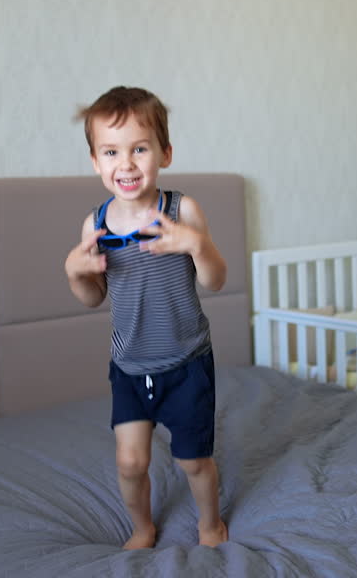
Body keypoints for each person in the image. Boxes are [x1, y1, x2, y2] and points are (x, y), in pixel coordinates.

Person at [64, 86, 230, 549]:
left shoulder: (182, 210)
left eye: (140, 149)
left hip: (186, 362)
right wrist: (75, 274)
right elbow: (91, 297)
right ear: (96, 162)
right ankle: (142, 527)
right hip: (130, 367)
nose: (127, 163)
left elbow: (215, 280)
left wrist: (196, 245)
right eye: (112, 152)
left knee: (194, 461)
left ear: (165, 153)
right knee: (130, 463)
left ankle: (210, 524)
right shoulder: (94, 224)